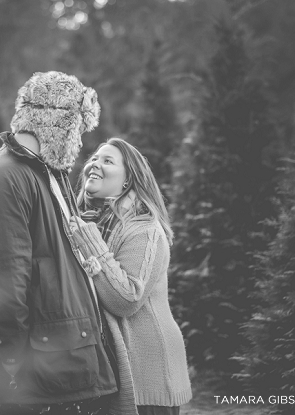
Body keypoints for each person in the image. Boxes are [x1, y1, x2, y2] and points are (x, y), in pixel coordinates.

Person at [0, 71, 128, 415]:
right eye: (79, 130)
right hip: (34, 386)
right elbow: (3, 283)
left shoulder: (46, 173)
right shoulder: (3, 178)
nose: (80, 143)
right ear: (59, 123)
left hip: (59, 372)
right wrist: (16, 370)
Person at [68, 137, 193, 415]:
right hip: (106, 368)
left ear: (127, 181)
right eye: (93, 158)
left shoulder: (145, 230)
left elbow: (126, 300)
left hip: (148, 373)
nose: (94, 164)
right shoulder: (86, 222)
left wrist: (89, 242)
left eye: (107, 161)